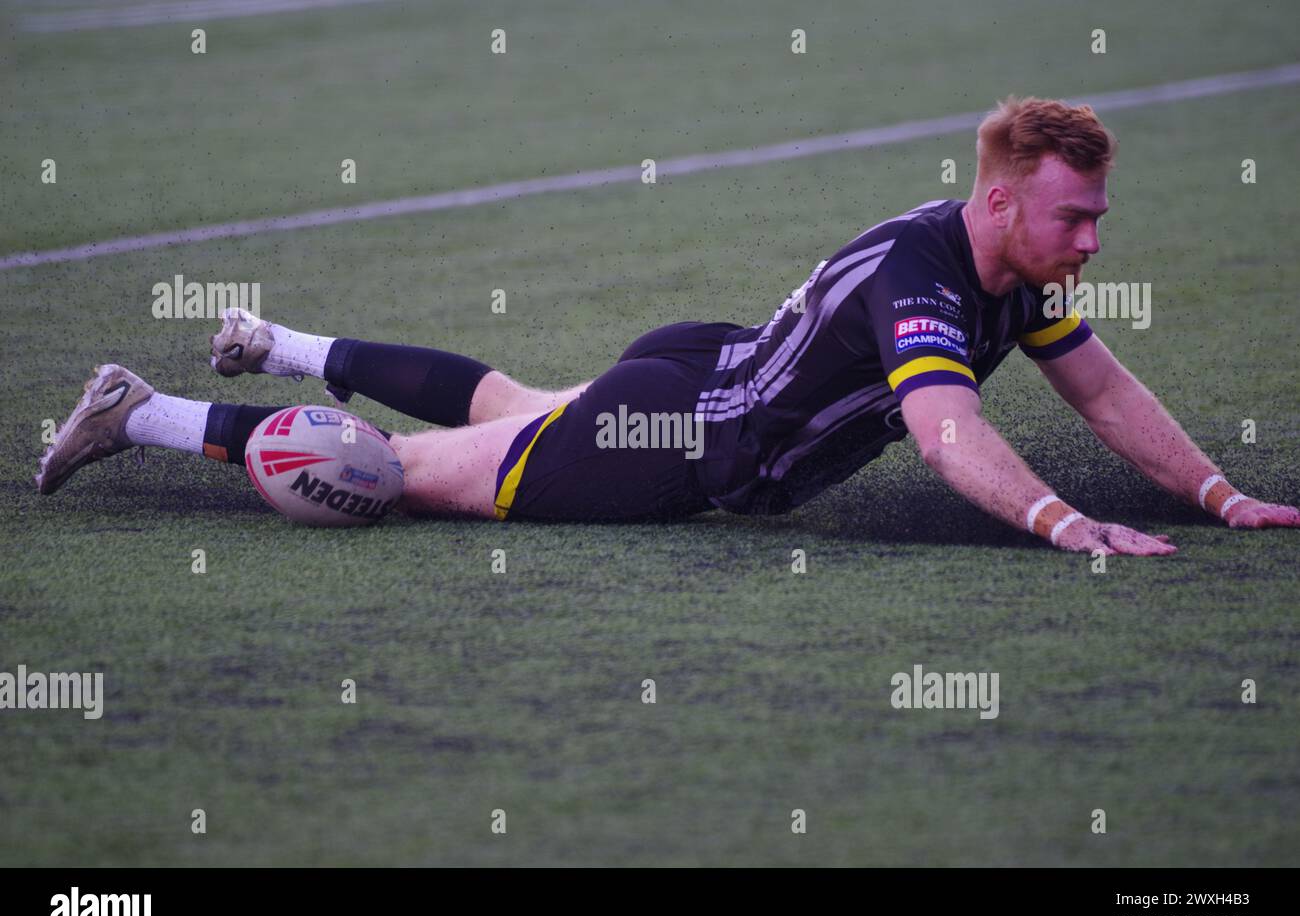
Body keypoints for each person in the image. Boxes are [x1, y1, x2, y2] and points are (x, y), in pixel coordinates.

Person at [35, 96, 1299, 553]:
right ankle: (143, 413)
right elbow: (944, 431)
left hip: (702, 366)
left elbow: (1101, 390)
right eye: (1075, 218)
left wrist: (1217, 490)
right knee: (391, 473)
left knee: (505, 402)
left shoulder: (1012, 270)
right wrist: (1066, 523)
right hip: (676, 439)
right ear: (1008, 198)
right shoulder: (925, 276)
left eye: (1096, 221)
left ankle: (286, 343)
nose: (1090, 241)